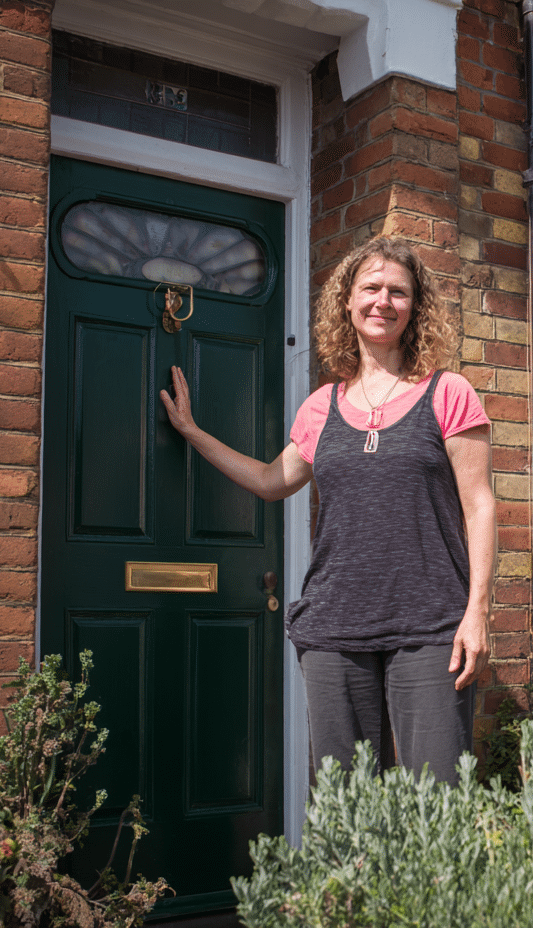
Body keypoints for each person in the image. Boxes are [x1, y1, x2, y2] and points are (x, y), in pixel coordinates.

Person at [160, 237, 495, 786]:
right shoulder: (322, 405)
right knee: (345, 807)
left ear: (416, 308)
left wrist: (477, 611)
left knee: (438, 804)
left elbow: (480, 504)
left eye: (398, 292)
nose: (383, 301)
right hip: (335, 627)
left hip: (432, 625)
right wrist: (194, 434)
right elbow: (272, 480)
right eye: (371, 288)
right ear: (347, 301)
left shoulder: (448, 393)